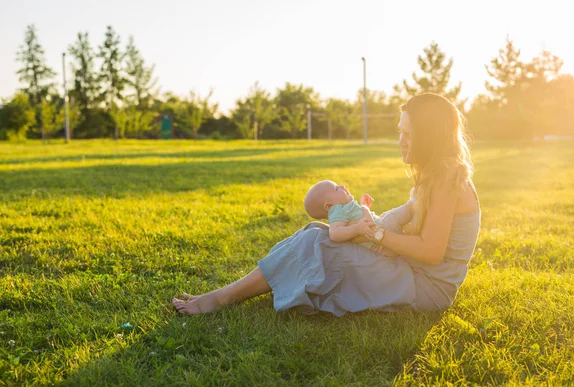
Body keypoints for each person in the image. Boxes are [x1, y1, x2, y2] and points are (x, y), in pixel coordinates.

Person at [173, 93, 481, 316]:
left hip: (424, 288)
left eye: (407, 134)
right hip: (410, 273)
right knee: (316, 232)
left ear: (428, 136)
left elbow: (431, 251)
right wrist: (368, 230)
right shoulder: (434, 175)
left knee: (314, 242)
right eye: (400, 132)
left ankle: (224, 298)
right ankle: (228, 295)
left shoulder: (446, 179)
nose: (400, 140)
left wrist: (375, 235)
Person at [302, 180, 414, 255]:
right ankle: (414, 204)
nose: (342, 186)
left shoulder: (343, 209)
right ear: (329, 206)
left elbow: (357, 217)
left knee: (394, 219)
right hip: (381, 235)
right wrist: (357, 228)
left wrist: (364, 207)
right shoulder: (337, 211)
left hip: (382, 233)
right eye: (336, 189)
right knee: (394, 217)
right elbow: (335, 234)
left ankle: (415, 213)